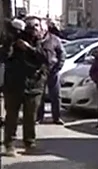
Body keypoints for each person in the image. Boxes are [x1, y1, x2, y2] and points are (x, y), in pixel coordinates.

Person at [2, 17, 50, 156]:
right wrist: (12, 40)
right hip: (14, 84)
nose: (35, 29)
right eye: (32, 26)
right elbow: (4, 55)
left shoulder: (44, 42)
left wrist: (29, 49)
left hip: (34, 85)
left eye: (37, 26)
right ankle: (9, 144)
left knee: (31, 116)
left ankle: (30, 143)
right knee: (12, 116)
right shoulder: (14, 40)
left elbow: (46, 58)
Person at [36, 21, 65, 125]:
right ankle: (39, 117)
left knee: (56, 95)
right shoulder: (35, 39)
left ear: (46, 29)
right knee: (40, 95)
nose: (41, 31)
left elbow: (62, 54)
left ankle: (56, 117)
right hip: (39, 71)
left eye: (43, 29)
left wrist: (58, 67)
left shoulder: (54, 39)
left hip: (52, 71)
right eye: (40, 29)